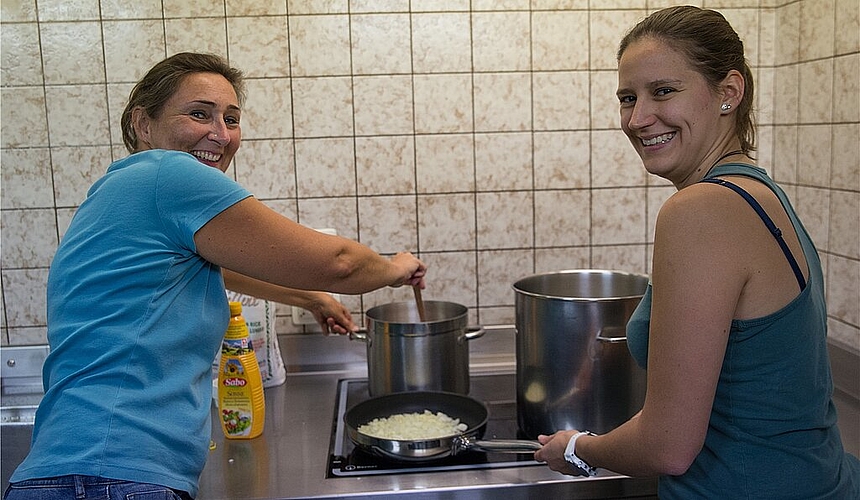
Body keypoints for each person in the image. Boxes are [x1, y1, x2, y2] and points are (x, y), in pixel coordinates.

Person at [4, 52, 426, 500]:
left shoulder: (126, 190)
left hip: (76, 471)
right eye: (199, 114)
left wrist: (311, 300)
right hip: (113, 475)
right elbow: (339, 262)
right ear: (143, 124)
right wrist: (396, 268)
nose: (220, 134)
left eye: (231, 118)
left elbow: (222, 267)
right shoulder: (169, 174)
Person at [534, 6, 859, 499]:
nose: (639, 118)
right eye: (628, 97)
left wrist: (578, 448)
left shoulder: (699, 210)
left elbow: (667, 447)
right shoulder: (758, 193)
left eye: (663, 91)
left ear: (728, 92)